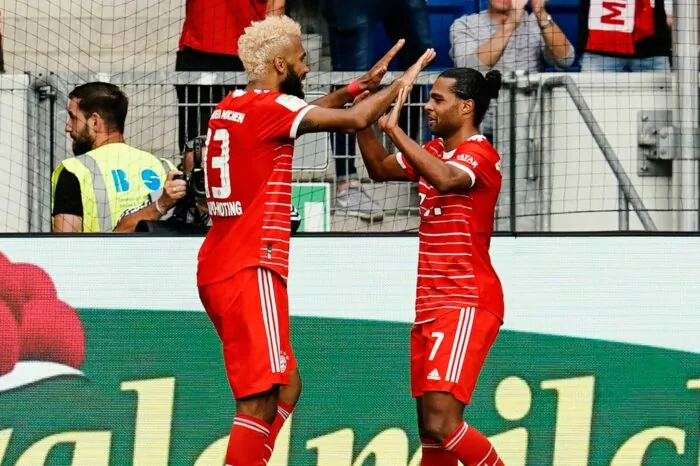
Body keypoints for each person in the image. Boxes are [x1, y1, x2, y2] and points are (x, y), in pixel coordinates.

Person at [195, 14, 435, 465]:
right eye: (301, 59)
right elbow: (356, 120)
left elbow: (305, 115)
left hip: (220, 264)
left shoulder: (233, 105)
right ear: (280, 65)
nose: (307, 68)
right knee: (258, 399)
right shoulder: (272, 109)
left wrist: (357, 86)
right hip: (252, 266)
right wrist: (401, 84)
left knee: (288, 386)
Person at [356, 68, 505, 465]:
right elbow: (379, 168)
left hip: (464, 300)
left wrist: (395, 131)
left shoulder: (479, 153)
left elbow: (446, 180)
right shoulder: (434, 150)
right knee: (430, 431)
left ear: (466, 107)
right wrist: (361, 119)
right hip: (430, 306)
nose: (428, 105)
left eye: (438, 99)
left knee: (443, 423)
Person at [51, 82, 177, 233]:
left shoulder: (75, 170)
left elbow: (65, 242)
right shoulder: (165, 168)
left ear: (95, 121)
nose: (68, 127)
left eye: (73, 118)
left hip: (102, 250)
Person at [175, 0, 285, 152]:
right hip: (240, 48)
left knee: (197, 143)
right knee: (240, 140)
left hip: (213, 47)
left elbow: (275, 9)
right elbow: (275, 9)